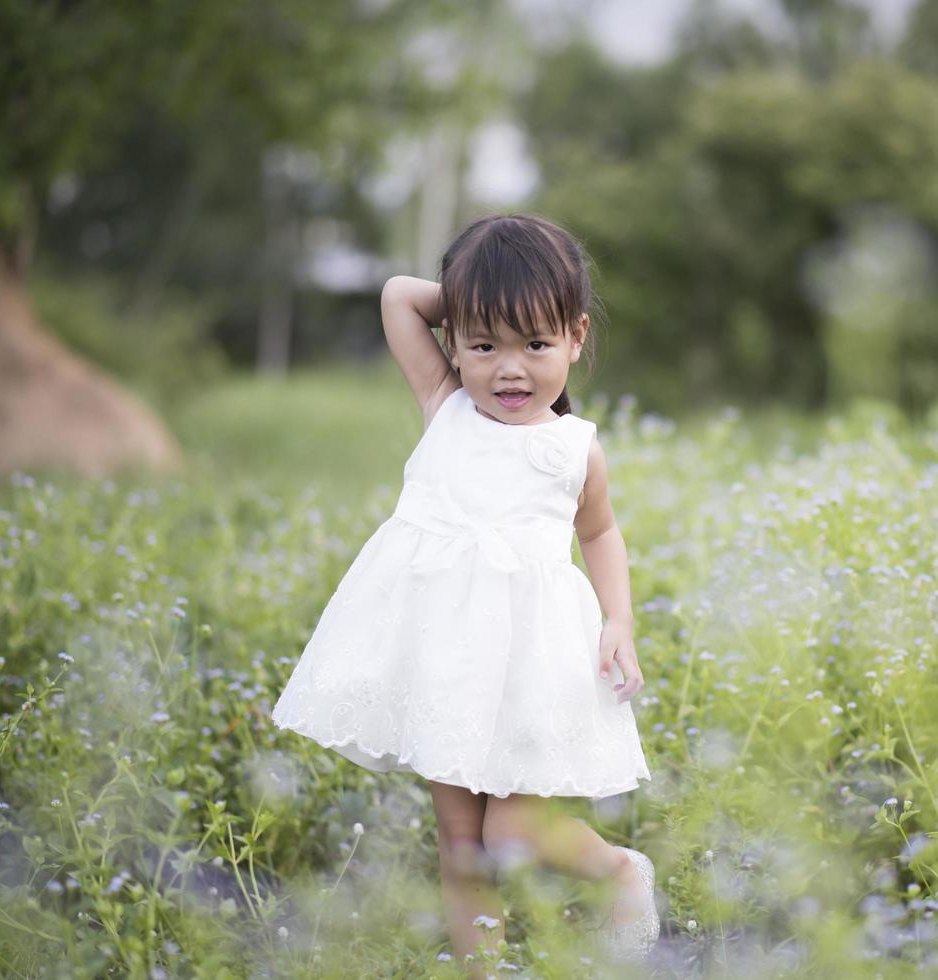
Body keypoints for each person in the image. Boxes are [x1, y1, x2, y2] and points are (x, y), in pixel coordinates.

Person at [270, 213, 656, 970]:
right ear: (453, 343)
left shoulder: (574, 450)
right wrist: (483, 297)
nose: (509, 369)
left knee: (508, 836)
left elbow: (600, 535)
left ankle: (619, 871)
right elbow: (395, 295)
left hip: (527, 667)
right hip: (444, 660)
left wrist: (619, 620)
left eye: (535, 344)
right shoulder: (445, 404)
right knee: (460, 844)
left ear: (576, 338)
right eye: (485, 345)